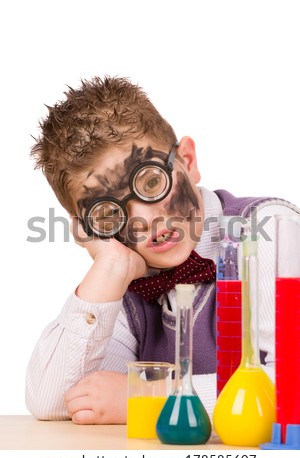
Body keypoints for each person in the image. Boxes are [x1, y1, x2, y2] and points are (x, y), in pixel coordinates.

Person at [26, 76, 299, 425]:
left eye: (152, 182)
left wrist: (152, 399)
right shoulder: (127, 278)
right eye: (110, 213)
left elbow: (293, 384)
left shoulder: (268, 230)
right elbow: (58, 400)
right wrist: (109, 267)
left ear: (187, 160)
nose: (143, 220)